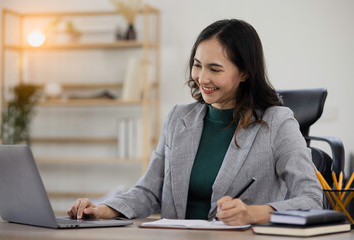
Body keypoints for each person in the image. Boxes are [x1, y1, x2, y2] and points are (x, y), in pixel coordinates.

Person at [67, 19, 323, 225]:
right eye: (197, 65)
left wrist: (253, 213)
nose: (202, 78)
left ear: (245, 72)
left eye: (215, 69)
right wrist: (104, 209)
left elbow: (312, 199)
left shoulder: (277, 122)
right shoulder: (179, 117)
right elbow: (148, 191)